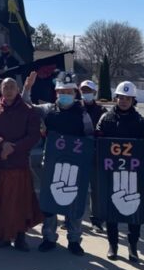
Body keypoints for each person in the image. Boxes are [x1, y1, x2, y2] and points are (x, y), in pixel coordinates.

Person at [21, 72, 94, 255]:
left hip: (75, 166)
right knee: (49, 203)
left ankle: (74, 240)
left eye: (69, 91)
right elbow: (27, 105)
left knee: (73, 202)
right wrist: (27, 88)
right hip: (51, 163)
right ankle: (49, 238)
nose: (65, 94)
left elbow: (90, 137)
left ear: (75, 93)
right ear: (56, 93)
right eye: (62, 91)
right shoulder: (48, 109)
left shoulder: (83, 113)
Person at [0, 78, 43, 251]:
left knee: (21, 203)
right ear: (1, 90)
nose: (9, 90)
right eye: (5, 87)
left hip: (19, 164)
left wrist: (14, 148)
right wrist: (2, 144)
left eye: (12, 87)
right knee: (0, 203)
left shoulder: (28, 110)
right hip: (0, 164)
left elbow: (34, 136)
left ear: (18, 89)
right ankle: (2, 236)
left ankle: (20, 237)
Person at [96, 81, 144, 262]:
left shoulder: (141, 122)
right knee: (112, 209)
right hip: (111, 172)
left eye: (128, 98)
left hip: (132, 173)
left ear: (133, 100)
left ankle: (133, 247)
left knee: (133, 209)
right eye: (121, 97)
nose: (124, 101)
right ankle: (113, 245)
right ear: (116, 98)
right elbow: (98, 142)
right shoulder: (106, 119)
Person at [80, 79, 107, 233]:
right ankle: (72, 216)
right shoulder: (76, 108)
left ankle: (96, 220)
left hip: (96, 154)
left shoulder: (102, 111)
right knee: (75, 187)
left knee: (96, 189)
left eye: (88, 91)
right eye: (83, 91)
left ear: (95, 93)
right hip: (77, 153)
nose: (86, 94)